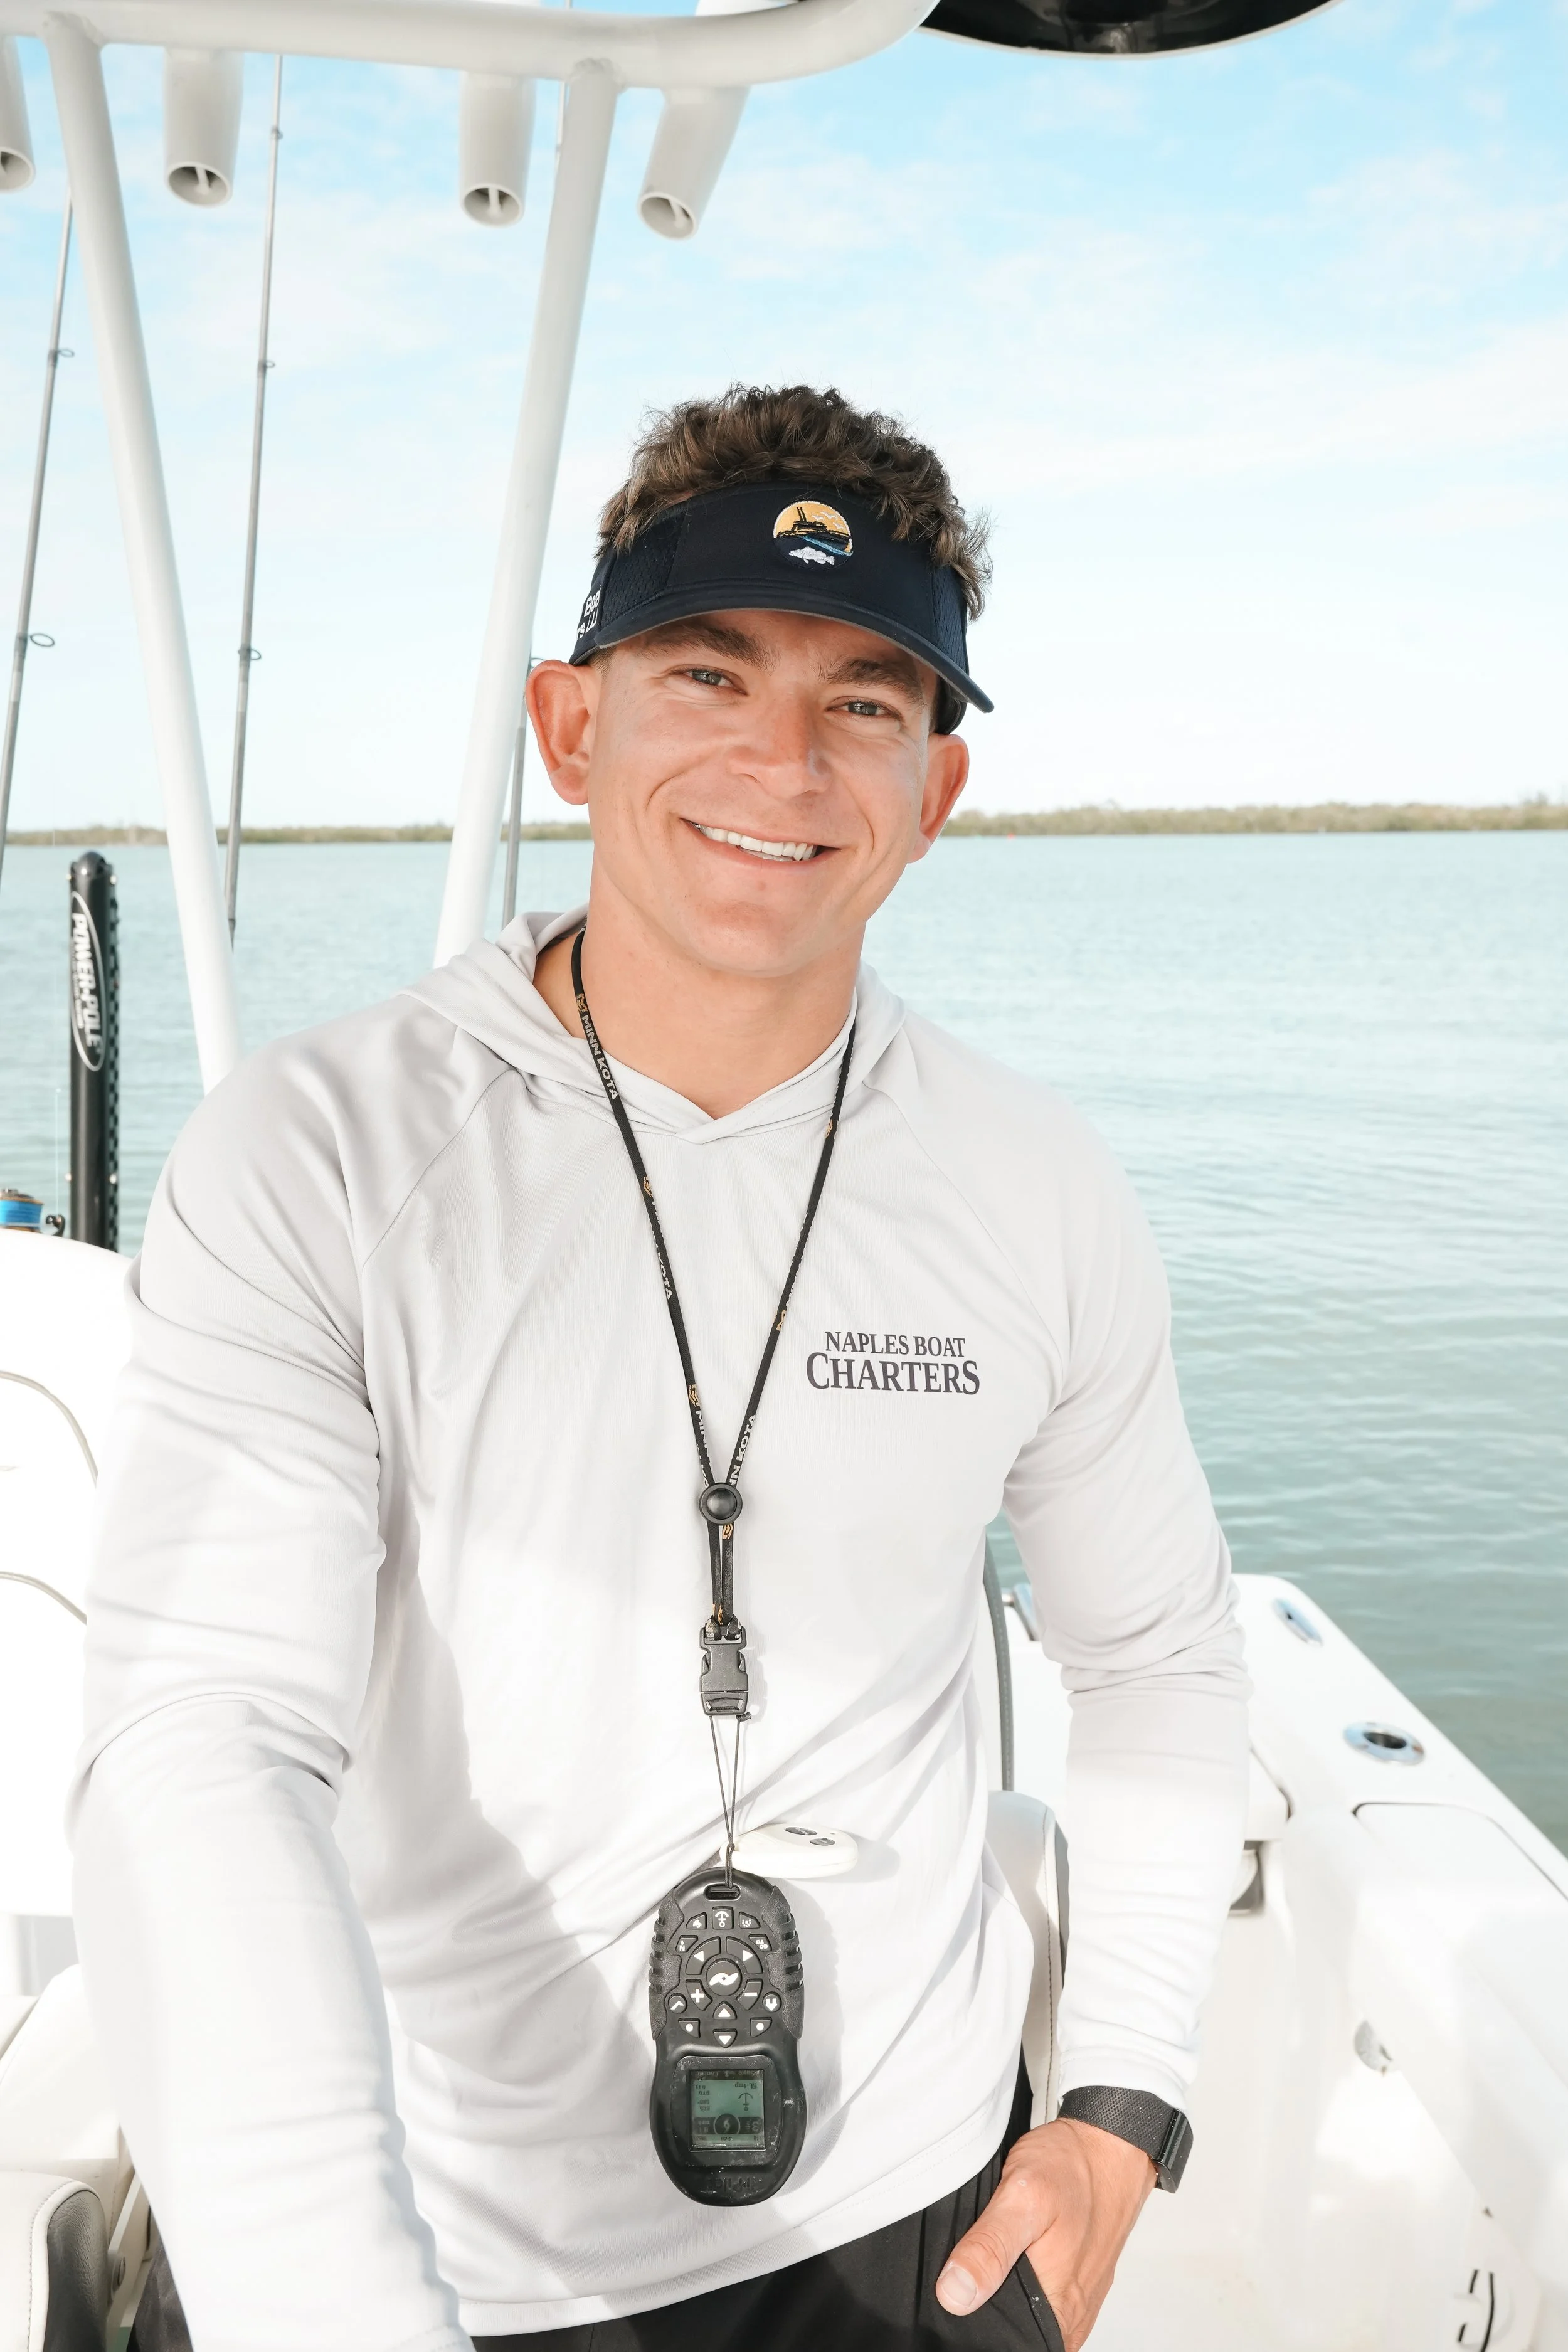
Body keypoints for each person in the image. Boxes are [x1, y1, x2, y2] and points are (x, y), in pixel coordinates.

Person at [75, 384, 1249, 2352]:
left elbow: (1157, 1663)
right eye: (708, 669)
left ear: (932, 791)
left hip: (916, 2220)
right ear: (571, 722)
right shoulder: (323, 1148)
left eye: (867, 699)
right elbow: (206, 1736)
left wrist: (1123, 2093)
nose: (783, 760)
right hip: (419, 2241)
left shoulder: (1035, 1181)